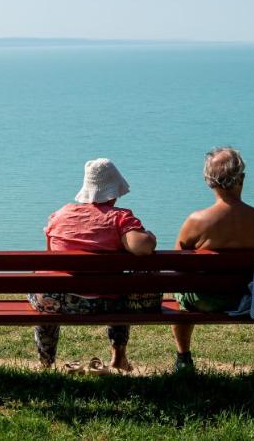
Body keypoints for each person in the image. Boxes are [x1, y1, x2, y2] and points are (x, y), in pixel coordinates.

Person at [27, 158, 159, 372]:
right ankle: (119, 358)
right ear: (114, 192)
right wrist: (150, 237)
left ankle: (46, 362)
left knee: (44, 286)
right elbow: (142, 248)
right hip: (105, 302)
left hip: (57, 301)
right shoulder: (119, 218)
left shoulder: (59, 216)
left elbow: (49, 255)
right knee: (119, 288)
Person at [171, 147, 254, 372]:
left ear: (209, 182)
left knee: (179, 292)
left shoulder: (196, 221)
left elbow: (176, 266)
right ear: (242, 178)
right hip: (250, 299)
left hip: (205, 299)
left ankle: (184, 357)